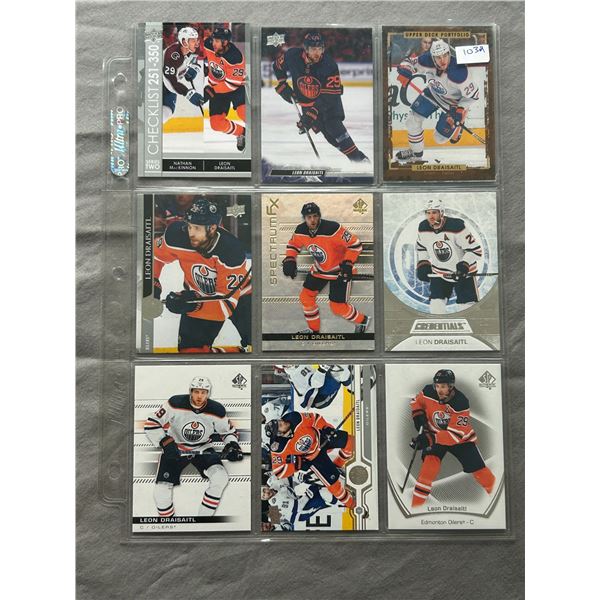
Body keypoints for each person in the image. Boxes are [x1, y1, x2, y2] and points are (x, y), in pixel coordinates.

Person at [150, 198, 252, 352]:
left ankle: (243, 351)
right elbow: (155, 257)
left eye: (197, 228)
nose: (191, 233)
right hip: (198, 296)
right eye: (189, 226)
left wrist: (192, 304)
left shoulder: (231, 250)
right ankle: (235, 353)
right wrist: (153, 283)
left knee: (259, 345)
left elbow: (225, 305)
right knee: (191, 354)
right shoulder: (176, 235)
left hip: (240, 297)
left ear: (212, 228)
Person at [144, 376, 244, 517]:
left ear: (208, 393)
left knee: (221, 478)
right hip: (176, 448)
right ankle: (169, 524)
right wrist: (166, 442)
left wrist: (232, 445)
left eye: (203, 392)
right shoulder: (175, 403)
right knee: (160, 493)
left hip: (203, 448)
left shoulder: (217, 410)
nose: (199, 396)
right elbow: (152, 422)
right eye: (196, 391)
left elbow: (228, 432)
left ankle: (203, 521)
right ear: (190, 391)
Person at [272, 31, 369, 162]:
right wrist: (282, 83)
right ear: (306, 49)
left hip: (329, 103)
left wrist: (310, 115)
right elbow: (277, 66)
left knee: (334, 128)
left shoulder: (329, 65)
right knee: (329, 137)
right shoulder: (292, 56)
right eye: (313, 49)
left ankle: (358, 159)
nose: (317, 53)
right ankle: (358, 158)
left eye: (319, 49)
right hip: (307, 104)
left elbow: (329, 96)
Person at [408, 369, 496, 507]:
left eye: (443, 386)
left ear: (451, 386)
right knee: (427, 473)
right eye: (437, 386)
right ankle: (415, 507)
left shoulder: (461, 402)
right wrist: (418, 415)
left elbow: (455, 434)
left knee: (481, 472)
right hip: (434, 434)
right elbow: (416, 401)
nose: (439, 390)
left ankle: (499, 499)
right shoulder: (428, 391)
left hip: (461, 440)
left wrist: (428, 439)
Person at [282, 202, 371, 334]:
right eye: (309, 217)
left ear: (319, 216)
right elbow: (293, 245)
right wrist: (290, 259)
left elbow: (355, 244)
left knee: (337, 307)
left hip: (340, 271)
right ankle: (314, 330)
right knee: (306, 297)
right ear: (304, 218)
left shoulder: (333, 228)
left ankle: (362, 320)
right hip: (320, 270)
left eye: (315, 216)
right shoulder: (300, 231)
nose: (312, 220)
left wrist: (348, 263)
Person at [394, 38, 480, 163]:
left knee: (439, 139)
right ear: (432, 57)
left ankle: (461, 121)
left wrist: (460, 109)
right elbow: (409, 62)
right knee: (412, 121)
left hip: (452, 103)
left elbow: (474, 95)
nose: (442, 60)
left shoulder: (460, 73)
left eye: (445, 55)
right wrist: (406, 69)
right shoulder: (427, 60)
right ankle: (416, 154)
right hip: (433, 94)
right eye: (438, 57)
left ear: (449, 53)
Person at [266, 411, 356, 509]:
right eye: (280, 425)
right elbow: (279, 471)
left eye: (279, 421)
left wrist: (325, 427)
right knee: (334, 486)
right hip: (313, 458)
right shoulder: (278, 446)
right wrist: (297, 463)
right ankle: (352, 504)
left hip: (322, 437)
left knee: (352, 443)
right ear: (279, 434)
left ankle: (338, 464)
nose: (282, 422)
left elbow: (315, 418)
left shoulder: (294, 417)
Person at [415, 198, 482, 314]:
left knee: (467, 307)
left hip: (463, 274)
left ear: (441, 213)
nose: (431, 216)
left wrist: (464, 265)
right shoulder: (423, 227)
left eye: (434, 212)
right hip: (439, 273)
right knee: (436, 306)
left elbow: (475, 250)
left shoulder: (456, 226)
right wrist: (423, 263)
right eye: (428, 213)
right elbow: (421, 247)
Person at [198, 26, 247, 150]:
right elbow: (199, 54)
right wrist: (202, 68)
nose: (213, 43)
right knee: (216, 124)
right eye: (213, 40)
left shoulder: (235, 57)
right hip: (217, 89)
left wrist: (211, 91)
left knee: (243, 113)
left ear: (225, 42)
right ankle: (242, 133)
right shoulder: (209, 44)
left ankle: (259, 133)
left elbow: (232, 84)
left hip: (236, 88)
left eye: (217, 41)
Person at [162, 26, 205, 124]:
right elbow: (170, 81)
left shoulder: (192, 49)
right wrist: (188, 93)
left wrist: (193, 68)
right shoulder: (172, 55)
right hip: (155, 84)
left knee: (167, 112)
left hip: (170, 88)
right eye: (193, 40)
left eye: (196, 40)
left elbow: (194, 61)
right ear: (184, 42)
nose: (197, 43)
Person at [274, 364, 352, 409]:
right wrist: (322, 369)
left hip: (318, 388)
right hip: (319, 398)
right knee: (338, 371)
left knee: (338, 365)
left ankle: (351, 378)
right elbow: (316, 383)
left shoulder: (296, 366)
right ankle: (354, 388)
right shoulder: (295, 374)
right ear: (285, 366)